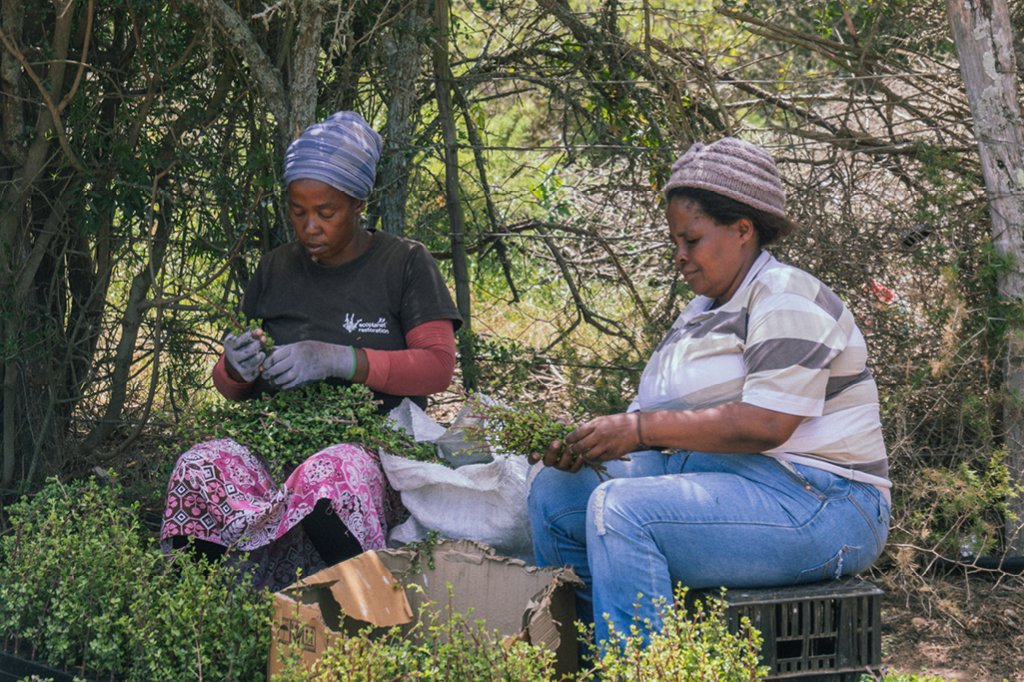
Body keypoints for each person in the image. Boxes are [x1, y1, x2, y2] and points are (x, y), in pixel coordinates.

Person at [527, 137, 890, 649]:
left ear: (742, 230)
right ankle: (590, 662)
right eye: (674, 241)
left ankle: (642, 668)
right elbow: (655, 418)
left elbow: (766, 424)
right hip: (726, 477)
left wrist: (638, 430)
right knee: (555, 493)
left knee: (623, 510)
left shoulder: (785, 293)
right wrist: (591, 443)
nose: (679, 256)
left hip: (825, 500)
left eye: (691, 239)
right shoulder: (700, 313)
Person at [161, 111, 462, 591]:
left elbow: (437, 368)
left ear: (359, 203)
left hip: (369, 452)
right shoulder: (275, 269)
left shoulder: (404, 263)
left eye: (326, 212)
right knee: (201, 463)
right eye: (298, 212)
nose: (310, 227)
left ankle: (366, 615)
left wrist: (336, 358)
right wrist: (236, 367)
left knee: (330, 472)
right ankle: (195, 607)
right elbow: (231, 386)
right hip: (277, 445)